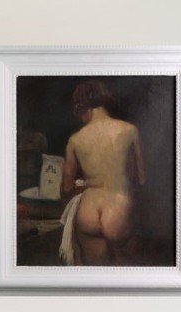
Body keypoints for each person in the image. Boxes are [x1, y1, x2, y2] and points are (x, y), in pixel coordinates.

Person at [60, 80, 147, 264]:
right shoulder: (129, 130)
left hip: (88, 211)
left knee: (95, 274)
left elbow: (66, 188)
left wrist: (79, 186)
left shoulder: (75, 140)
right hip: (119, 208)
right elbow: (140, 179)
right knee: (125, 271)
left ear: (83, 108)